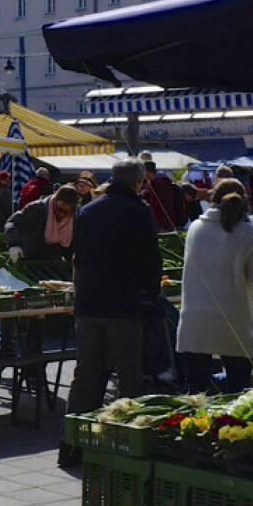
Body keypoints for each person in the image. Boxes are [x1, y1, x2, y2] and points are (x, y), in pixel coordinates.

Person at [63, 158, 161, 468]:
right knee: (130, 376)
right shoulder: (139, 211)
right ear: (138, 182)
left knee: (86, 376)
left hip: (89, 305)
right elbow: (150, 260)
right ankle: (127, 446)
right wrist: (152, 289)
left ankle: (70, 447)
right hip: (122, 306)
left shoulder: (88, 209)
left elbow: (76, 255)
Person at [176, 180, 253, 394]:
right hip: (233, 324)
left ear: (212, 199)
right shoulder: (246, 233)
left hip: (193, 323)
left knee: (196, 396)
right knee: (237, 396)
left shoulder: (196, 227)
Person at [4, 185, 79, 262]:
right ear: (55, 199)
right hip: (27, 260)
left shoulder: (72, 218)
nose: (62, 214)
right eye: (59, 209)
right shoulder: (37, 209)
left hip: (53, 265)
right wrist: (14, 244)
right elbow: (13, 223)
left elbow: (72, 246)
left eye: (67, 212)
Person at [143, 159, 179, 231]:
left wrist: (163, 225)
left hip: (162, 222)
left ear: (147, 172)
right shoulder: (160, 181)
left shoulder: (158, 183)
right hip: (166, 220)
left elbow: (162, 204)